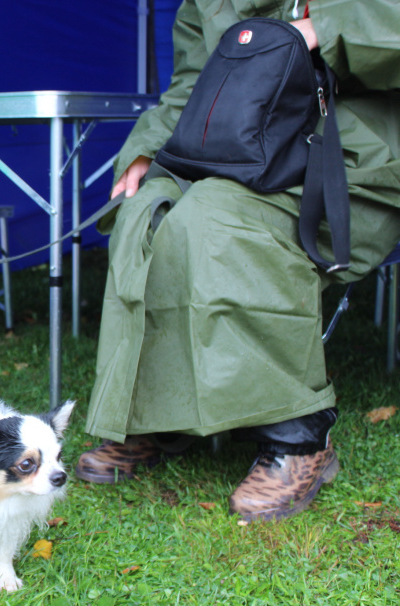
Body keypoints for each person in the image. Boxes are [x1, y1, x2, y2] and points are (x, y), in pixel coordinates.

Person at [76, 0, 400, 521]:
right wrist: (146, 149)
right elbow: (194, 83)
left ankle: (299, 438)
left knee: (216, 217)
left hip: (352, 157)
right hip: (237, 151)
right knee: (147, 213)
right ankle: (156, 416)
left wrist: (326, 29)